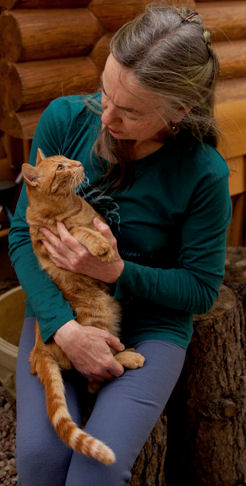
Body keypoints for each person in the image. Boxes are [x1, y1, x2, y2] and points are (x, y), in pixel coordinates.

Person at [9, 3, 232, 485]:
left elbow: (200, 291)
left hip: (151, 323)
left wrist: (115, 272)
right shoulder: (65, 119)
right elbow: (24, 238)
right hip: (64, 303)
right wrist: (62, 327)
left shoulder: (204, 174)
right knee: (37, 460)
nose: (105, 115)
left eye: (128, 111)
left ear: (180, 109)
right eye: (105, 92)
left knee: (96, 472)